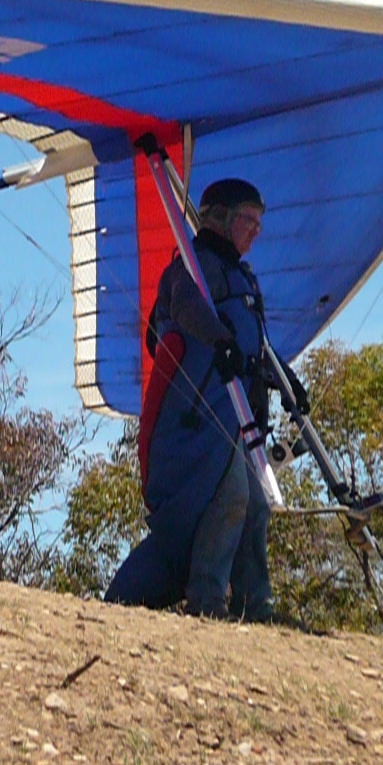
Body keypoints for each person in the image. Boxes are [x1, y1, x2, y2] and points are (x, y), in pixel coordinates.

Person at [105, 178, 290, 621]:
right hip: (199, 417)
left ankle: (257, 605)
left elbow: (257, 341)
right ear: (220, 219)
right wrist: (218, 338)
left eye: (260, 222)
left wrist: (286, 381)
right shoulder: (192, 266)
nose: (257, 230)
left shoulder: (242, 277)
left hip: (234, 413)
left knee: (256, 505)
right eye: (248, 219)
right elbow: (183, 306)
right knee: (231, 497)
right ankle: (207, 599)